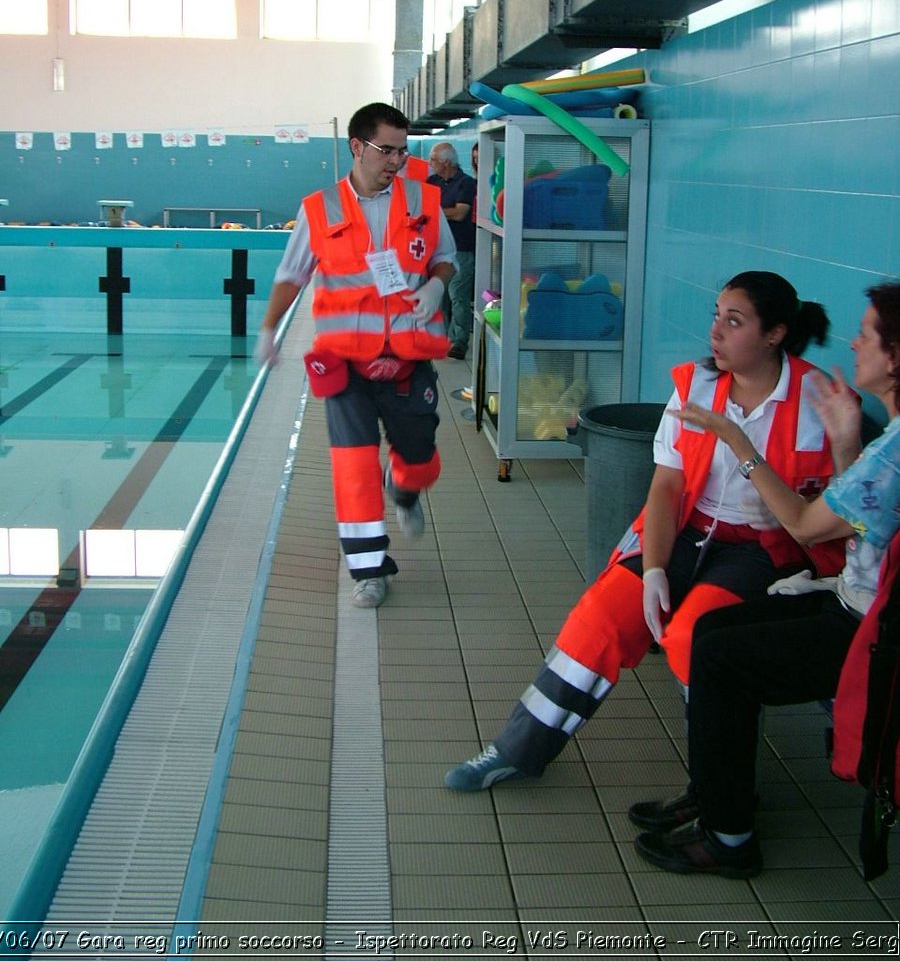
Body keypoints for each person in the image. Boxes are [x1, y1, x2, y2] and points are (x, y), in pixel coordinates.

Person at [445, 271, 847, 791]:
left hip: (764, 551)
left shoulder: (819, 402)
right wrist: (655, 567)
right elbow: (666, 489)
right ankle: (517, 749)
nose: (716, 333)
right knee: (600, 615)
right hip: (686, 533)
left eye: (735, 321)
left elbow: (833, 513)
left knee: (691, 639)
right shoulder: (696, 389)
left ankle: (715, 789)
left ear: (774, 335)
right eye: (716, 316)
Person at [630, 281, 900, 878]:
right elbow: (859, 518)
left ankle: (730, 838)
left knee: (721, 655)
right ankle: (716, 797)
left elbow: (807, 527)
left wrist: (739, 444)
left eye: (868, 334)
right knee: (709, 636)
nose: (854, 342)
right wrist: (846, 440)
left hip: (871, 629)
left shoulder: (897, 452)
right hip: (856, 603)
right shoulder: (887, 446)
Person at [255, 102, 457, 610]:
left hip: (409, 361)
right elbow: (291, 274)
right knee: (353, 468)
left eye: (401, 150)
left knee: (419, 459)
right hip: (345, 365)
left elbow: (446, 259)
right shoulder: (319, 209)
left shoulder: (422, 199)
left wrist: (435, 286)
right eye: (386, 150)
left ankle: (406, 489)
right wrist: (268, 329)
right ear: (357, 147)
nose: (396, 160)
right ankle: (368, 570)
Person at [428, 141, 477, 361]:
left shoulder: (466, 184)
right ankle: (440, 340)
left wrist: (434, 211)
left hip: (462, 248)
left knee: (458, 295)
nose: (430, 164)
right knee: (439, 295)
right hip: (437, 249)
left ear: (446, 162)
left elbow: (460, 213)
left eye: (433, 159)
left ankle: (459, 342)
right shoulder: (431, 183)